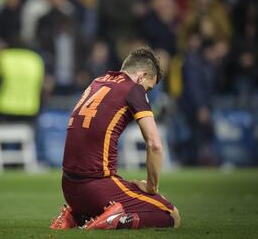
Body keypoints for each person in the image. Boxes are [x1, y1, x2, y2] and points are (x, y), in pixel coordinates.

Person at [50, 47, 180, 230]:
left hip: (69, 188)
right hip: (97, 187)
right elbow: (155, 144)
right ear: (142, 76)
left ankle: (75, 216)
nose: (146, 92)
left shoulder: (97, 82)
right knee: (171, 215)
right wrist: (151, 187)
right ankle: (115, 219)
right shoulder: (134, 88)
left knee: (125, 190)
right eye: (148, 88)